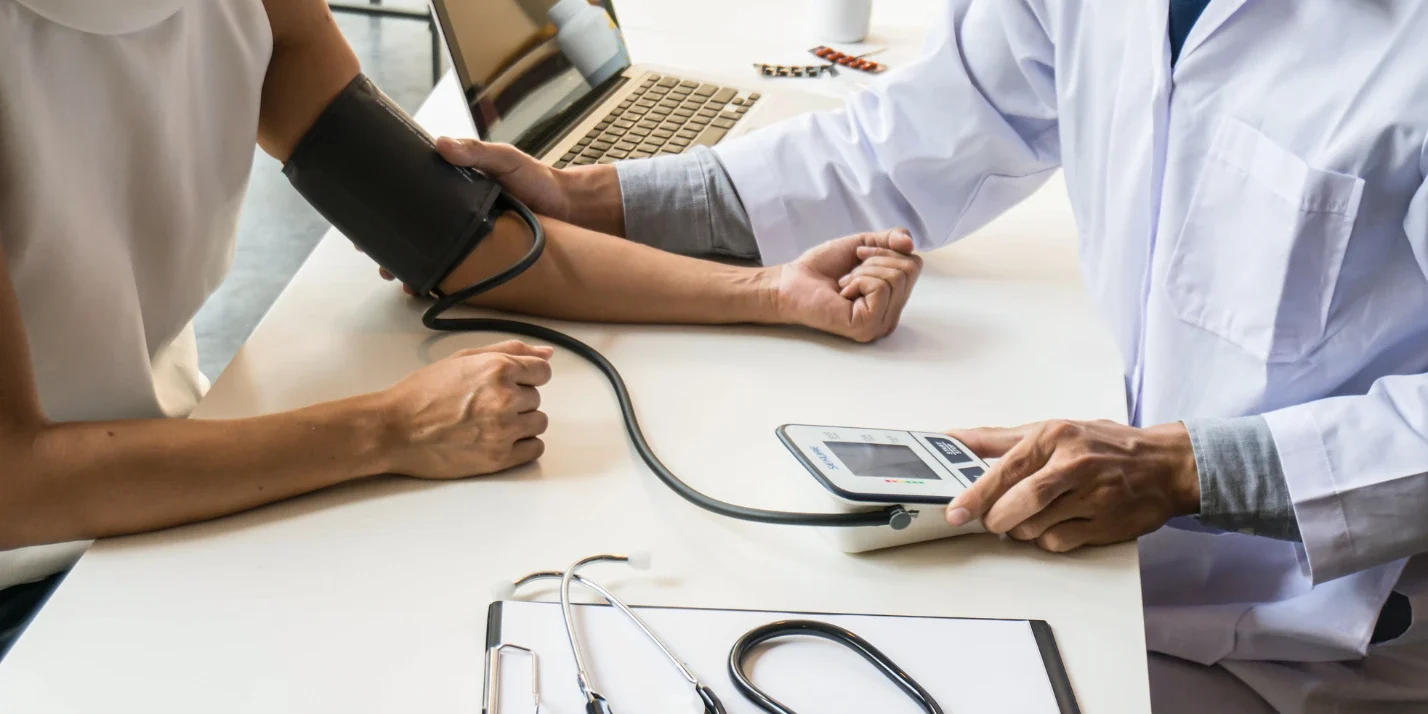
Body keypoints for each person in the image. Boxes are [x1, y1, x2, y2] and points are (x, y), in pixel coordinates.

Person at [451, 0, 1428, 711]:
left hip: (1312, 643)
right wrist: (586, 202)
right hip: (1124, 565)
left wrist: (1188, 470)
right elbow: (905, 145)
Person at [0, 0, 923, 656]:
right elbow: (16, 485)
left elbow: (461, 240)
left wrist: (768, 292)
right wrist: (389, 428)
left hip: (160, 491)